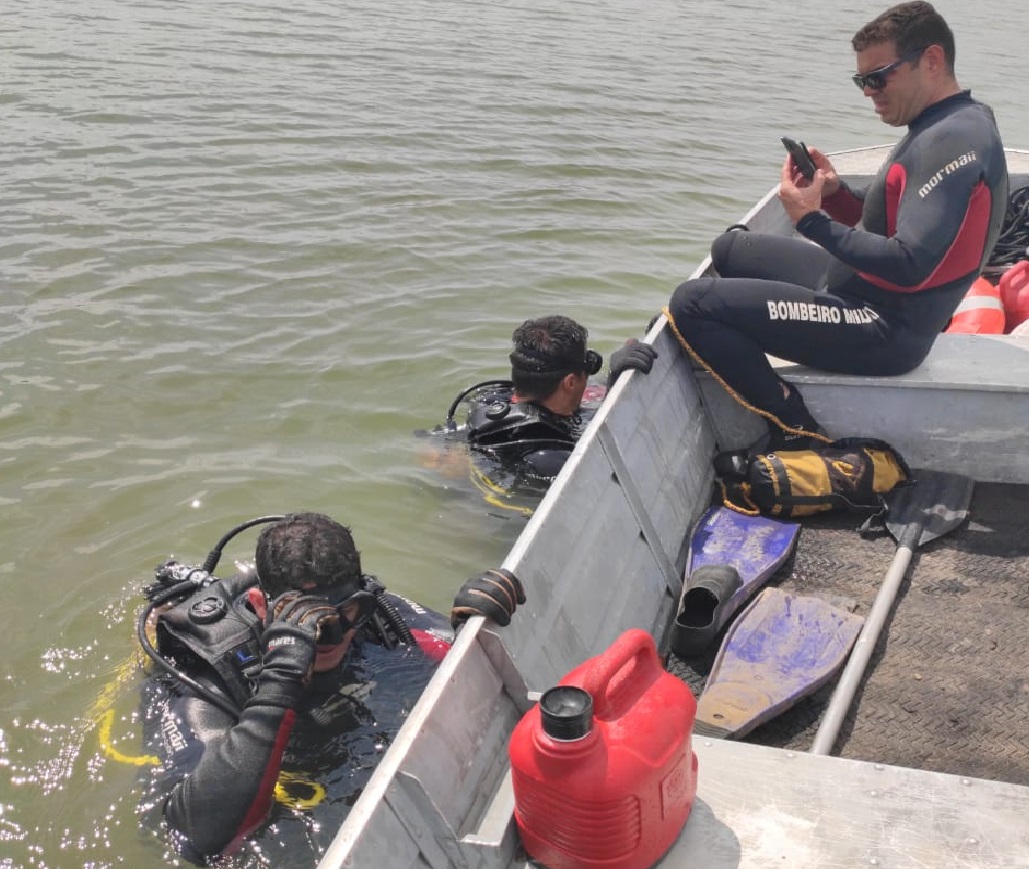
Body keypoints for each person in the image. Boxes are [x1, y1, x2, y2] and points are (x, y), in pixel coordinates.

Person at [665, 1, 1008, 450]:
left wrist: (808, 220)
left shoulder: (950, 140)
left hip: (882, 327)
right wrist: (835, 195)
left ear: (932, 60)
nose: (868, 91)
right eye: (860, 80)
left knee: (692, 303)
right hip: (852, 288)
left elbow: (909, 265)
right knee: (729, 249)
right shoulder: (952, 121)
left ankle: (792, 420)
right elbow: (890, 220)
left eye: (877, 77)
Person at [136, 511, 524, 867]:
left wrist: (475, 630)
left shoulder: (368, 612)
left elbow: (455, 661)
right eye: (306, 616)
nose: (331, 632)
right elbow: (194, 835)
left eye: (345, 612)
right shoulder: (208, 667)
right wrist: (280, 680)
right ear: (258, 605)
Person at [422, 315, 657, 505]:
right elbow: (616, 478)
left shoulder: (490, 401)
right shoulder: (549, 459)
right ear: (570, 383)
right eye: (586, 366)